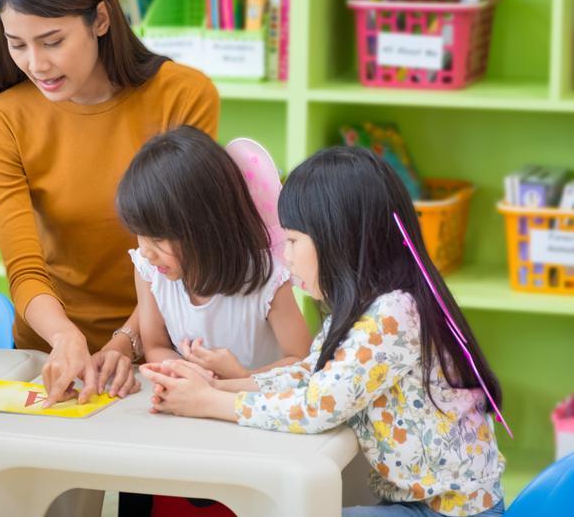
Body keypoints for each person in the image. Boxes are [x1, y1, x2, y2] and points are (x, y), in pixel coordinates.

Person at [143, 147, 506, 517]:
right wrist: (218, 386)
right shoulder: (364, 309)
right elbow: (311, 374)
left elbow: (318, 407)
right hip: (418, 506)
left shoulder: (394, 314)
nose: (286, 256)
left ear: (340, 238)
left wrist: (209, 403)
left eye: (294, 241)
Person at [0, 0, 220, 408]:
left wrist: (126, 340)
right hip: (50, 350)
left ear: (101, 19)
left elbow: (185, 249)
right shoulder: (3, 119)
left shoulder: (184, 96)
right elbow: (24, 269)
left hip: (166, 345)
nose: (36, 64)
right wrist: (65, 339)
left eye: (52, 41)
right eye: (17, 44)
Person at [116, 126, 311, 378]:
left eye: (158, 238)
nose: (146, 251)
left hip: (253, 408)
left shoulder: (266, 279)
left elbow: (301, 360)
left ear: (205, 225)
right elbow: (156, 346)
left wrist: (236, 377)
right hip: (197, 407)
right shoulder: (150, 271)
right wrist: (188, 372)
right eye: (140, 233)